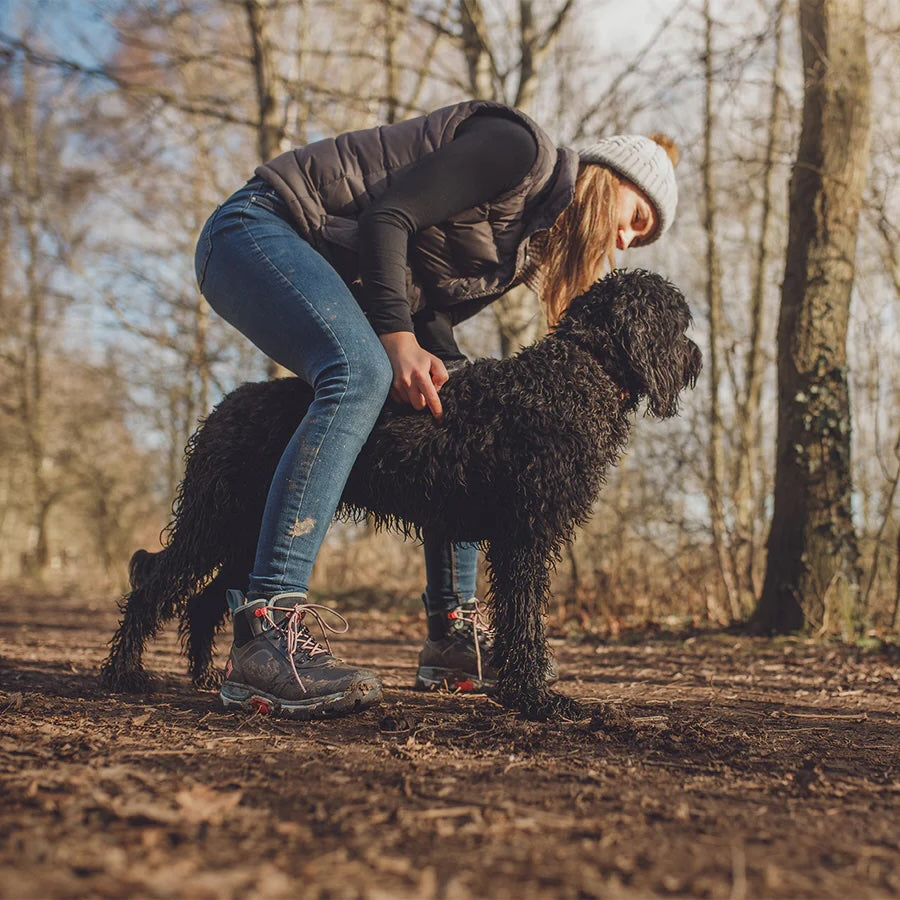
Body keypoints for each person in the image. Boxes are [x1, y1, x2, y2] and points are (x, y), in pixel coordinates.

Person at [193, 99, 678, 719]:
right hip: (259, 228)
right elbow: (386, 219)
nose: (625, 240)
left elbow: (429, 309)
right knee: (361, 373)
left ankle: (454, 636)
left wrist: (454, 378)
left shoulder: (523, 247)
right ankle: (269, 632)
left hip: (324, 264)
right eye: (634, 218)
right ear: (609, 179)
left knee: (467, 407)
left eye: (639, 238)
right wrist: (395, 341)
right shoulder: (520, 152)